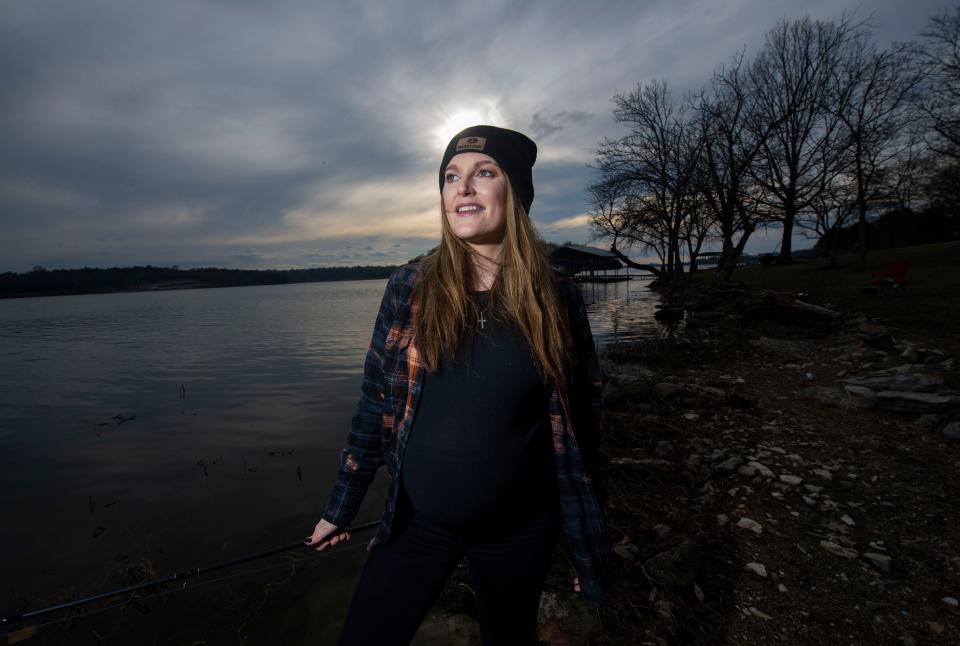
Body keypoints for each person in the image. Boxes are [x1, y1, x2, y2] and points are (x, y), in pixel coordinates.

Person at [307, 125, 615, 645]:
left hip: (518, 532)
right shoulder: (409, 287)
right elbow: (373, 405)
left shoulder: (557, 298)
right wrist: (341, 507)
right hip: (416, 524)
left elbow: (583, 427)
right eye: (451, 177)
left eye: (483, 173)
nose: (462, 188)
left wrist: (587, 545)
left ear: (514, 194)